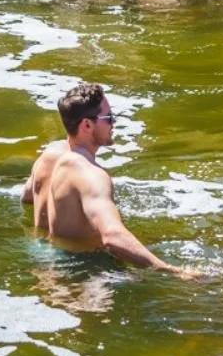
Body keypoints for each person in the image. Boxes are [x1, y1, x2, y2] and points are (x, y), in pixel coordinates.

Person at [23, 82, 190, 274]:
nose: (114, 123)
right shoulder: (91, 175)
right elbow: (112, 236)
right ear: (87, 124)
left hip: (44, 266)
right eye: (108, 118)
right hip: (83, 278)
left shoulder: (48, 157)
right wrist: (171, 270)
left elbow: (27, 198)